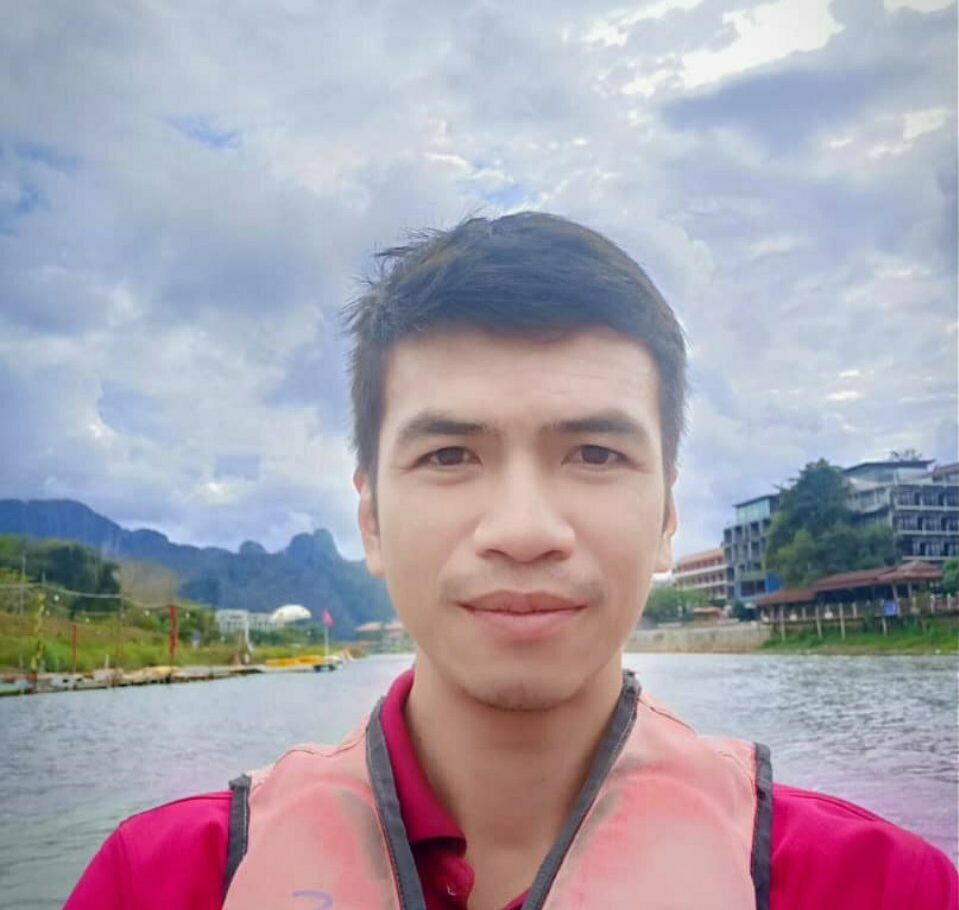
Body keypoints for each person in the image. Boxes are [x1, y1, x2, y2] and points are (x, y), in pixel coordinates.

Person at [65, 213, 957, 909]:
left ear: (665, 518)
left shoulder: (881, 888)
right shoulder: (159, 882)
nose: (523, 529)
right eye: (449, 454)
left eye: (595, 453)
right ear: (370, 519)